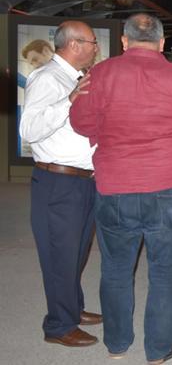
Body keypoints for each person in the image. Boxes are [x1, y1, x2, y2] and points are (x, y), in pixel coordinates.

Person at [70, 13, 172, 364]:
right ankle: (159, 349)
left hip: (114, 190)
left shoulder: (101, 75)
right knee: (165, 273)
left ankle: (117, 345)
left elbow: (80, 122)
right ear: (162, 43)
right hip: (167, 192)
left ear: (124, 41)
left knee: (116, 270)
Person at [19, 21, 102, 348]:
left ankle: (72, 308)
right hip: (58, 181)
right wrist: (68, 100)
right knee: (59, 255)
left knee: (76, 252)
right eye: (93, 42)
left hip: (82, 182)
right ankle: (57, 325)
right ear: (74, 44)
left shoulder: (74, 77)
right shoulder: (47, 79)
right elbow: (30, 129)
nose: (96, 48)